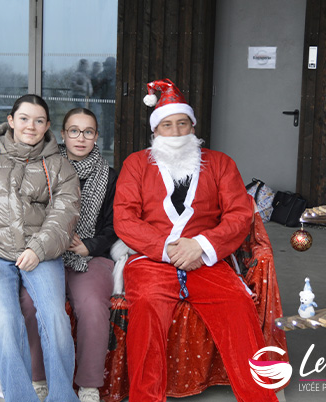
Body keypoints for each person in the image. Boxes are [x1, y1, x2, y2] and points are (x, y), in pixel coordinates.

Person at [113, 79, 278, 402]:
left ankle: (260, 397)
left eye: (182, 124)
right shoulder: (136, 164)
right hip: (149, 259)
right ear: (155, 131)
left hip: (207, 258)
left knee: (238, 305)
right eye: (167, 126)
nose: (175, 133)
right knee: (145, 307)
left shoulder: (220, 164)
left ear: (193, 127)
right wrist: (167, 248)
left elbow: (239, 215)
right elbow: (124, 218)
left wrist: (200, 245)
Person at [0, 94, 81, 402]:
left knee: (55, 319)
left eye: (39, 120)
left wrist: (38, 247)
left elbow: (64, 215)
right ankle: (19, 397)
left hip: (41, 255)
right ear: (10, 121)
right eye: (24, 118)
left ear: (48, 126)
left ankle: (63, 397)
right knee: (4, 324)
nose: (31, 126)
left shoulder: (61, 166)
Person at [20, 108, 118, 402]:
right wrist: (51, 241)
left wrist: (89, 245)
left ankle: (88, 386)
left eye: (88, 132)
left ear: (97, 137)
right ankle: (39, 378)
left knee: (91, 305)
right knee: (30, 301)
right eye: (74, 131)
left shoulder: (109, 176)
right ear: (63, 134)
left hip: (90, 255)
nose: (81, 138)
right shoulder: (44, 167)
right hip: (47, 253)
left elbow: (116, 225)